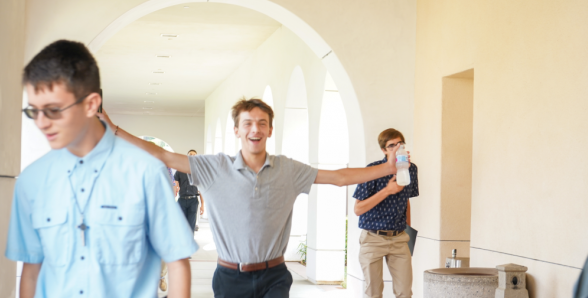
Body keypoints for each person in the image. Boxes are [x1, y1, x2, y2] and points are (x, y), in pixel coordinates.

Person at [99, 98, 406, 298]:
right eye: (247, 123)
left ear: (270, 129)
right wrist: (113, 129)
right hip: (230, 277)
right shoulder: (212, 167)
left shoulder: (288, 169)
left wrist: (388, 168)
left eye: (261, 123)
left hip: (274, 276)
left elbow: (339, 178)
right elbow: (162, 154)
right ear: (237, 130)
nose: (254, 129)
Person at [5, 40, 198, 298]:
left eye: (52, 110)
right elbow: (31, 270)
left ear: (91, 104)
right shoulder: (31, 180)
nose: (42, 123)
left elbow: (177, 262)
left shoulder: (145, 172)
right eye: (34, 111)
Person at [353, 128, 419, 298]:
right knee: (374, 293)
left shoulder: (411, 170)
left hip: (399, 238)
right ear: (383, 150)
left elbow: (406, 201)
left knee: (405, 293)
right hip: (373, 238)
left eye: (400, 144)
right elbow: (358, 209)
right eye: (391, 146)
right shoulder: (373, 170)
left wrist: (408, 230)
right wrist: (387, 191)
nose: (397, 148)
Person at [174, 150, 205, 233]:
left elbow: (201, 189)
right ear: (187, 156)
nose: (192, 156)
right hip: (182, 200)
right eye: (190, 154)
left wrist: (203, 205)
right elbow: (175, 185)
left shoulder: (198, 172)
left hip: (193, 201)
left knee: (191, 225)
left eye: (194, 155)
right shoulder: (179, 170)